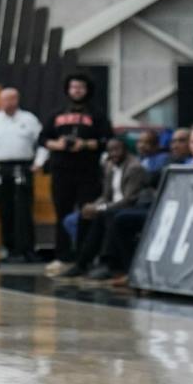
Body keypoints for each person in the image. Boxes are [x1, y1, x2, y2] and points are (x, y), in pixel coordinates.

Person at [41, 74, 111, 267]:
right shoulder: (56, 114)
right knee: (61, 213)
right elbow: (43, 138)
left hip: (87, 171)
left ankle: (84, 257)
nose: (77, 91)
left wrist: (86, 144)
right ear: (67, 90)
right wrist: (58, 144)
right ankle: (63, 256)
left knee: (87, 213)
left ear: (87, 90)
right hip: (61, 170)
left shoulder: (97, 114)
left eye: (80, 87)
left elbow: (107, 140)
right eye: (73, 87)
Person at [56, 138, 147, 280]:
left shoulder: (134, 168)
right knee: (84, 214)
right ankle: (81, 263)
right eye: (110, 150)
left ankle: (108, 264)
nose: (114, 153)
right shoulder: (109, 166)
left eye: (117, 149)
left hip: (130, 207)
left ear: (126, 150)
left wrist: (101, 208)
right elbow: (106, 195)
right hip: (112, 207)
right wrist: (93, 205)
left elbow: (130, 199)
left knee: (105, 214)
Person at [0, 87, 43, 263]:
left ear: (18, 100)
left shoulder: (29, 119)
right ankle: (9, 249)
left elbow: (42, 143)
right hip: (0, 167)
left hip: (24, 166)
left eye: (12, 99)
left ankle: (28, 249)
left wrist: (39, 162)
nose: (9, 103)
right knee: (4, 208)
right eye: (5, 100)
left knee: (24, 209)